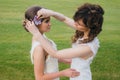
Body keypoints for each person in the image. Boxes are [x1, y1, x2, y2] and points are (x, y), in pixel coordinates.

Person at [25, 3, 104, 80]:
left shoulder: (88, 47)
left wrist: (36, 33)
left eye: (79, 24)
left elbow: (55, 54)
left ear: (89, 27)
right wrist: (52, 13)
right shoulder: (88, 33)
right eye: (76, 20)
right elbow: (64, 19)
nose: (75, 24)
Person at [23, 6, 80, 80]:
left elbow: (47, 58)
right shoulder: (39, 48)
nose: (50, 24)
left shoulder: (42, 38)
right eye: (46, 21)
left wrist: (65, 60)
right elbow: (39, 77)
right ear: (36, 24)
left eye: (49, 21)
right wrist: (63, 73)